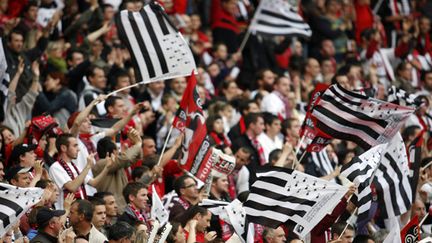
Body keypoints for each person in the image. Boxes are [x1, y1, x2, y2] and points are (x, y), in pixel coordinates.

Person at [49, 133, 111, 209]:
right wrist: (88, 166)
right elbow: (72, 187)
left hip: (79, 211)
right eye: (75, 146)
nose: (78, 149)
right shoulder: (55, 167)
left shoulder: (74, 167)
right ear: (63, 148)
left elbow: (94, 183)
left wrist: (107, 168)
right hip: (65, 213)